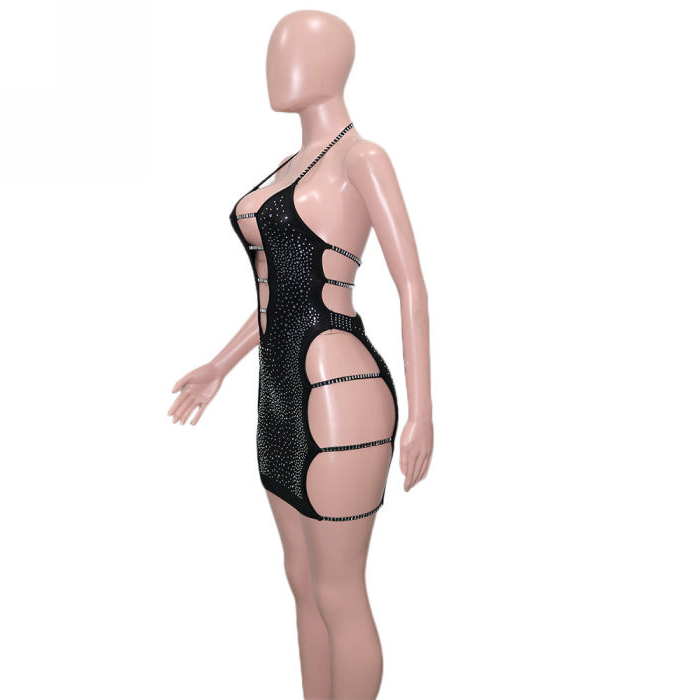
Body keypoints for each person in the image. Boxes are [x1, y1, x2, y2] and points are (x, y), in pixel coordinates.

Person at [168, 10, 433, 699]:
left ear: (335, 64)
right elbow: (281, 294)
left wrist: (424, 413)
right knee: (304, 583)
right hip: (279, 390)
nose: (275, 64)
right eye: (274, 50)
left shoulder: (362, 158)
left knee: (340, 590)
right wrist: (220, 365)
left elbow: (411, 285)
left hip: (340, 387)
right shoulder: (291, 166)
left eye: (292, 50)